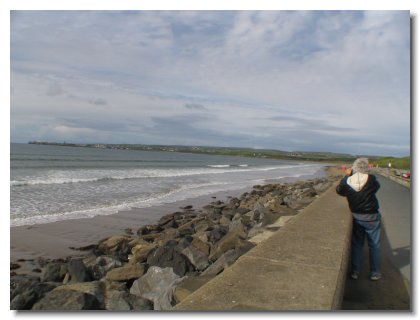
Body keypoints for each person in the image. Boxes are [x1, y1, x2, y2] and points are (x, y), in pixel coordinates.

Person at [336, 158, 381, 281]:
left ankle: (355, 271)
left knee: (357, 244)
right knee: (374, 245)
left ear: (354, 168)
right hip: (372, 217)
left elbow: (339, 191)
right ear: (367, 168)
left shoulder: (347, 181)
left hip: (357, 216)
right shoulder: (371, 180)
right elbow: (376, 187)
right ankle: (375, 273)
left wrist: (346, 176)